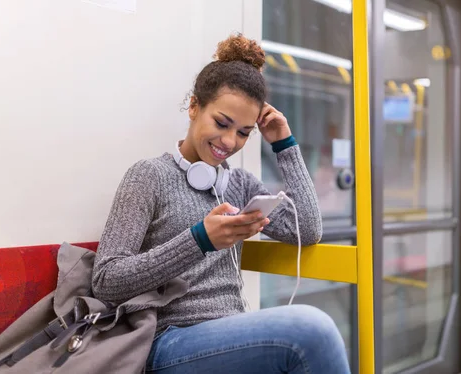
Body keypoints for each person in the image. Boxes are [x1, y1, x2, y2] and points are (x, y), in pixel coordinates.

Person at [91, 34, 351, 374]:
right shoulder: (148, 176)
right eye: (221, 123)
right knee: (309, 330)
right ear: (195, 106)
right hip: (167, 341)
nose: (229, 142)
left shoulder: (238, 184)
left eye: (244, 132)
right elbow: (106, 281)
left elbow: (308, 229)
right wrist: (199, 240)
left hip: (228, 338)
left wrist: (284, 144)